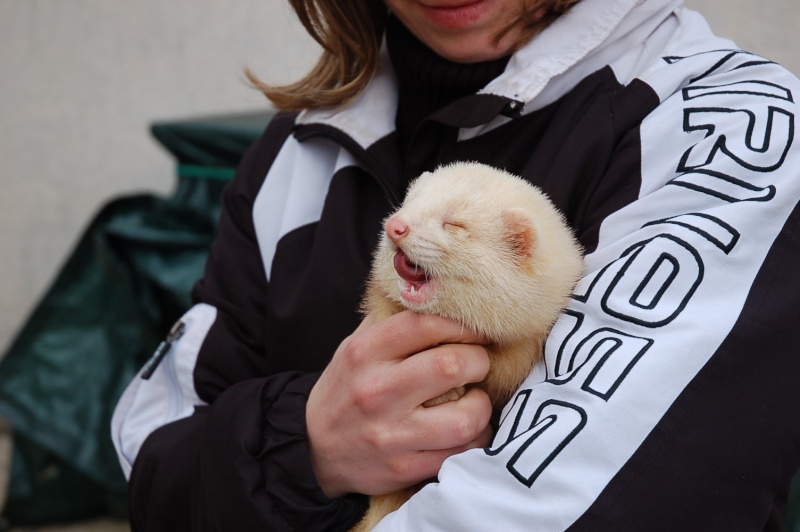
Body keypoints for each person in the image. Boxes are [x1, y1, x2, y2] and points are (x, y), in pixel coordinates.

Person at [111, 0, 800, 529]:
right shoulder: (299, 148)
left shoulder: (724, 134)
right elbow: (153, 460)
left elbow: (589, 506)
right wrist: (304, 443)